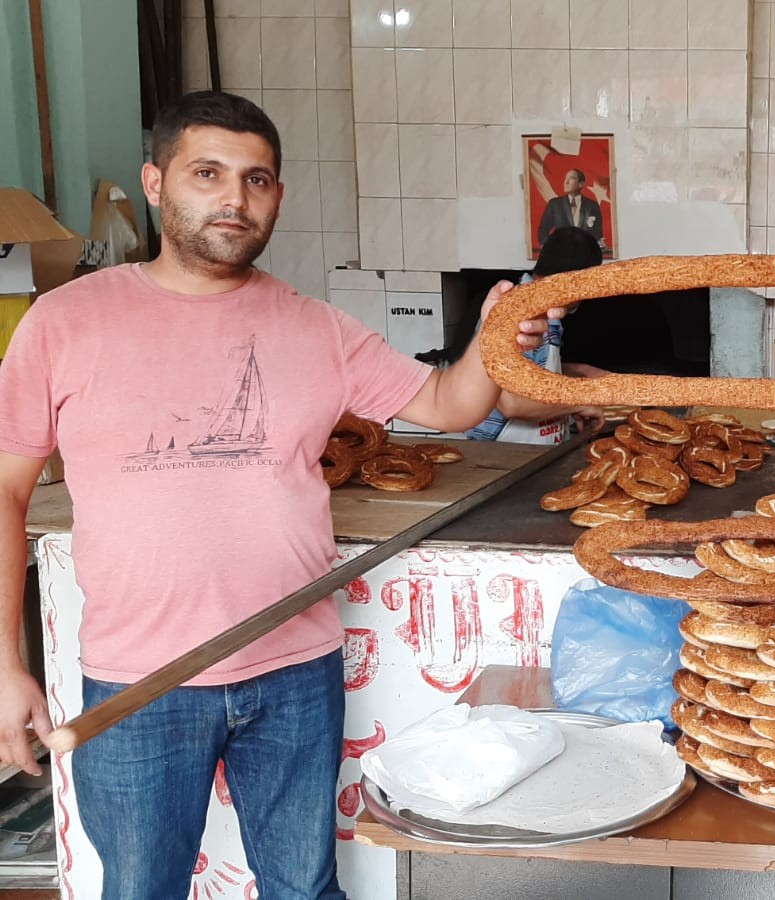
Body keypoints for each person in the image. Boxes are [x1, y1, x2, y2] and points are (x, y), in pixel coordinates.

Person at [0, 91, 554, 899]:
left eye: (257, 180)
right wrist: (5, 666)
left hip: (296, 670)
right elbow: (7, 492)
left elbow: (449, 406)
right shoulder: (63, 323)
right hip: (138, 681)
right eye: (208, 173)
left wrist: (492, 339)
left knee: (304, 889)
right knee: (138, 892)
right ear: (155, 183)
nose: (234, 198)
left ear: (278, 197)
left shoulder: (316, 328)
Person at [464, 226, 607, 443]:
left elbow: (530, 370)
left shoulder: (548, 311)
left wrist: (579, 371)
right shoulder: (513, 311)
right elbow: (511, 403)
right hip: (502, 453)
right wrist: (579, 403)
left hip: (539, 447)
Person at [536, 168, 604, 249]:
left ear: (581, 184)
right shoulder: (554, 204)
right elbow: (543, 229)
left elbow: (598, 234)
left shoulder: (592, 206)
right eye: (565, 178)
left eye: (571, 178)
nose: (566, 182)